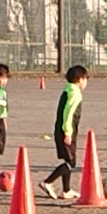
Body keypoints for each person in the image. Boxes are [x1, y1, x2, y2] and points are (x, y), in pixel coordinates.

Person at [40, 65, 89, 201]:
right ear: (79, 79)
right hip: (66, 130)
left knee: (68, 160)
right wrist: (67, 132)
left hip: (61, 129)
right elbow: (68, 112)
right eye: (85, 79)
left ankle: (66, 190)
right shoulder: (75, 93)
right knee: (71, 162)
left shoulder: (67, 89)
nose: (86, 83)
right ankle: (47, 182)